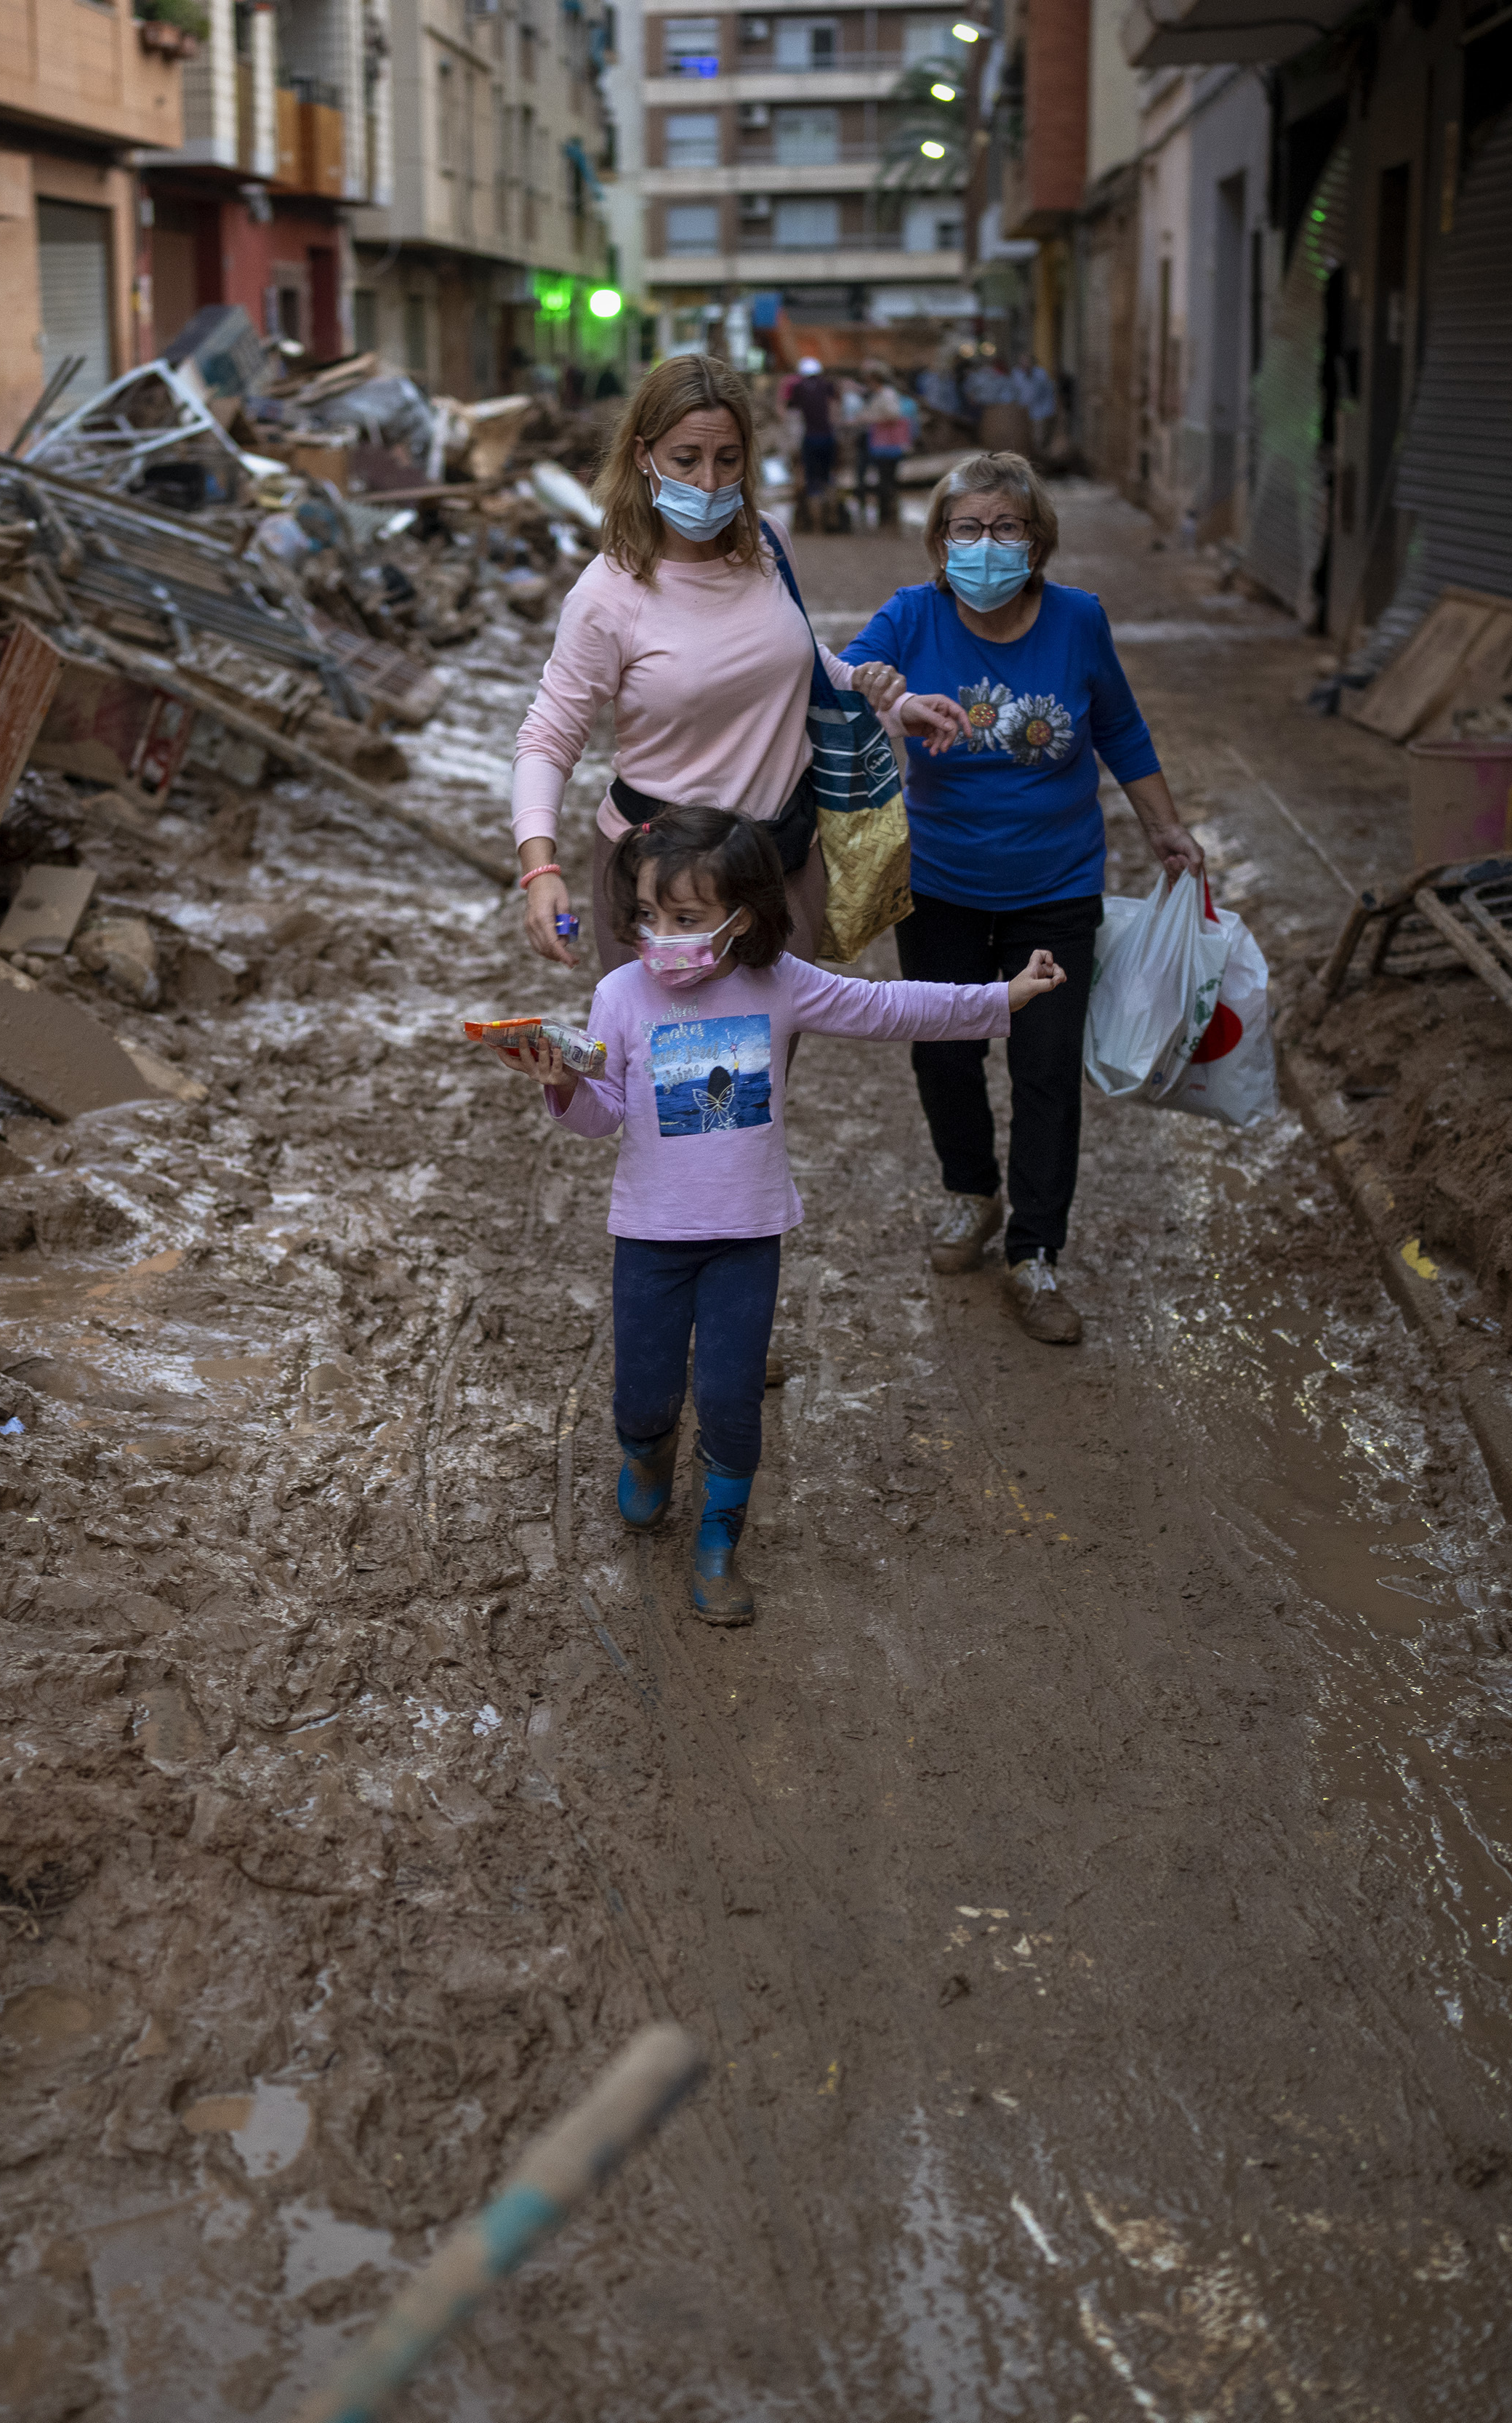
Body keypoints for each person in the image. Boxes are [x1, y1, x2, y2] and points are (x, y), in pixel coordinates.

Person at [500, 804, 1063, 1619]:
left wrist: (1000, 998)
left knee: (730, 1398)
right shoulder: (618, 994)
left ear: (746, 916)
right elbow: (604, 1112)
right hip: (649, 1241)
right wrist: (562, 1085)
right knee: (641, 1398)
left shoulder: (780, 984)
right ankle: (647, 1457)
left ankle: (718, 1545)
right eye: (647, 917)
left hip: (746, 1238)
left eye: (685, 918)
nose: (661, 936)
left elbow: (891, 1007)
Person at [844, 451, 1207, 1346]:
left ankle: (1034, 1252)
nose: (985, 544)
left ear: (1037, 541)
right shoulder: (911, 615)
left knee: (1045, 1070)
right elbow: (837, 678)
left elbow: (1118, 725)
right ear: (938, 542)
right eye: (965, 528)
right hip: (939, 886)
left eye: (1006, 527)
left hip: (1055, 887)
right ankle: (970, 1191)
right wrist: (877, 688)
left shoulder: (1078, 621)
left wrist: (1164, 827)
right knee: (944, 1058)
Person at [510, 354, 938, 978]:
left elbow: (795, 660)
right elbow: (548, 736)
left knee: (768, 1075)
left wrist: (896, 707)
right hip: (659, 891)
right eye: (686, 460)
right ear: (642, 456)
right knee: (664, 1075)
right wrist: (540, 868)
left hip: (782, 870)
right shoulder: (608, 592)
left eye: (728, 459)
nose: (709, 482)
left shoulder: (768, 543)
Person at [784, 355, 844, 523]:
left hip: (810, 439)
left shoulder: (798, 388)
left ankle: (816, 523)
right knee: (828, 477)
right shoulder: (828, 386)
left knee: (812, 481)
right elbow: (835, 411)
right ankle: (832, 517)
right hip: (828, 437)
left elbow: (790, 413)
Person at [858, 370, 914, 531]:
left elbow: (893, 415)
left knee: (887, 481)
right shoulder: (882, 395)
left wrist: (869, 418)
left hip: (888, 446)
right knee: (885, 480)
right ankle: (886, 517)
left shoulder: (887, 395)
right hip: (882, 445)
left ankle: (887, 518)